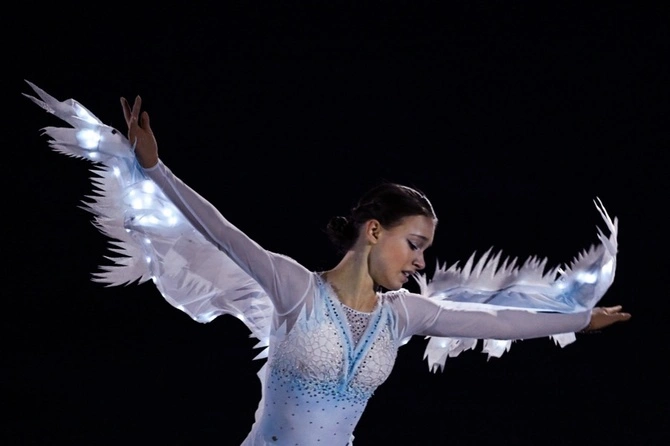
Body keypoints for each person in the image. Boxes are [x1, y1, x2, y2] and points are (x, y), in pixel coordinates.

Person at [26, 82, 631, 445]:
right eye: (414, 243)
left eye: (425, 249)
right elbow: (220, 232)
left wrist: (580, 321)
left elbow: (498, 323)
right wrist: (155, 169)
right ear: (374, 232)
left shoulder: (404, 315)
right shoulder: (296, 288)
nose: (421, 260)